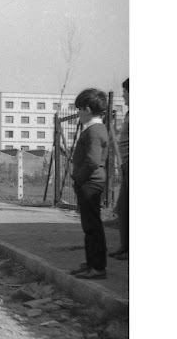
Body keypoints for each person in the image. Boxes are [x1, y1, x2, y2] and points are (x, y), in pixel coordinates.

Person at [69, 89, 109, 279]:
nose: (78, 113)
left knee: (92, 226)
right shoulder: (97, 129)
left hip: (90, 183)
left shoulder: (93, 131)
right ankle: (92, 263)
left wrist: (79, 177)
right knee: (90, 225)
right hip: (91, 181)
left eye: (79, 109)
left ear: (86, 108)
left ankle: (97, 268)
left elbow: (93, 161)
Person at [110, 78, 129, 260]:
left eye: (125, 92)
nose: (123, 96)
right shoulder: (130, 113)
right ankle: (125, 246)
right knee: (123, 207)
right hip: (126, 165)